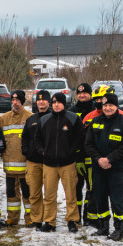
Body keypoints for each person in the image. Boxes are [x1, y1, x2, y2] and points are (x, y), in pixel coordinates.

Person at [84, 93, 123, 240]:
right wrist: (99, 159)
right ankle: (104, 227)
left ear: (116, 106)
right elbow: (88, 144)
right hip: (99, 168)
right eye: (105, 105)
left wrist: (110, 159)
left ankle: (120, 229)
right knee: (100, 198)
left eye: (111, 105)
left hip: (117, 168)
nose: (108, 108)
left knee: (118, 200)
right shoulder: (95, 121)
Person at [38, 92, 84, 233]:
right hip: (49, 165)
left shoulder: (73, 118)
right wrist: (43, 151)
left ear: (65, 104)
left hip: (68, 164)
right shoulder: (45, 119)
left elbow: (80, 137)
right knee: (49, 196)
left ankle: (72, 220)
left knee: (71, 195)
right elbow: (37, 139)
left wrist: (72, 151)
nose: (56, 105)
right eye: (54, 102)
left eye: (59, 102)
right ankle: (50, 222)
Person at [0, 90, 32, 226]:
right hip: (9, 166)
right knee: (12, 195)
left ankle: (30, 219)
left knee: (28, 195)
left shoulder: (30, 117)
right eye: (13, 100)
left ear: (22, 101)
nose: (15, 102)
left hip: (25, 166)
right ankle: (12, 218)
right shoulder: (4, 119)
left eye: (17, 100)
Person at [21, 90, 51, 228]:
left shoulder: (53, 118)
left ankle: (49, 220)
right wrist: (26, 152)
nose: (41, 102)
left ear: (48, 102)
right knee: (34, 193)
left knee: (49, 194)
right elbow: (25, 138)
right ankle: (36, 219)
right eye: (39, 100)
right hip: (33, 162)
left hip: (50, 163)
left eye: (44, 100)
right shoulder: (31, 119)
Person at [70, 83, 97, 225]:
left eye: (85, 93)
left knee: (91, 188)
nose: (82, 95)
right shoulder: (72, 111)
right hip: (76, 157)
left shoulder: (96, 110)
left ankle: (89, 216)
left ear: (90, 94)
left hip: (92, 157)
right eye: (79, 93)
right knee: (76, 188)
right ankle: (76, 216)